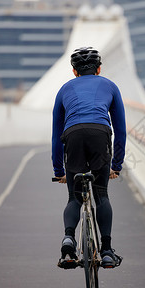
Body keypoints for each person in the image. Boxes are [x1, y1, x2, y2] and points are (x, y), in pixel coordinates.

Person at [52, 47, 126, 269]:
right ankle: (106, 251)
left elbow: (56, 135)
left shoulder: (64, 89)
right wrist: (116, 165)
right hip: (99, 133)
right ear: (99, 69)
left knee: (74, 198)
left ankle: (68, 239)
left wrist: (59, 171)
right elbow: (120, 130)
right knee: (101, 194)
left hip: (72, 135)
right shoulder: (110, 86)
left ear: (74, 71)